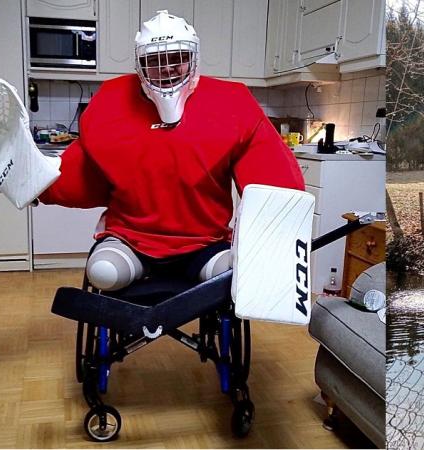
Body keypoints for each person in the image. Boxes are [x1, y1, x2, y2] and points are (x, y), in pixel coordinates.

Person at [38, 10, 304, 291]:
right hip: (130, 239)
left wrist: (273, 230)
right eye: (154, 60)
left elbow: (271, 174)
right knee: (104, 272)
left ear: (193, 58)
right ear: (140, 65)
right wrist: (31, 180)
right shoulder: (108, 104)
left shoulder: (232, 104)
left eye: (177, 57)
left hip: (205, 242)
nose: (166, 68)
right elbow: (82, 175)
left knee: (237, 276)